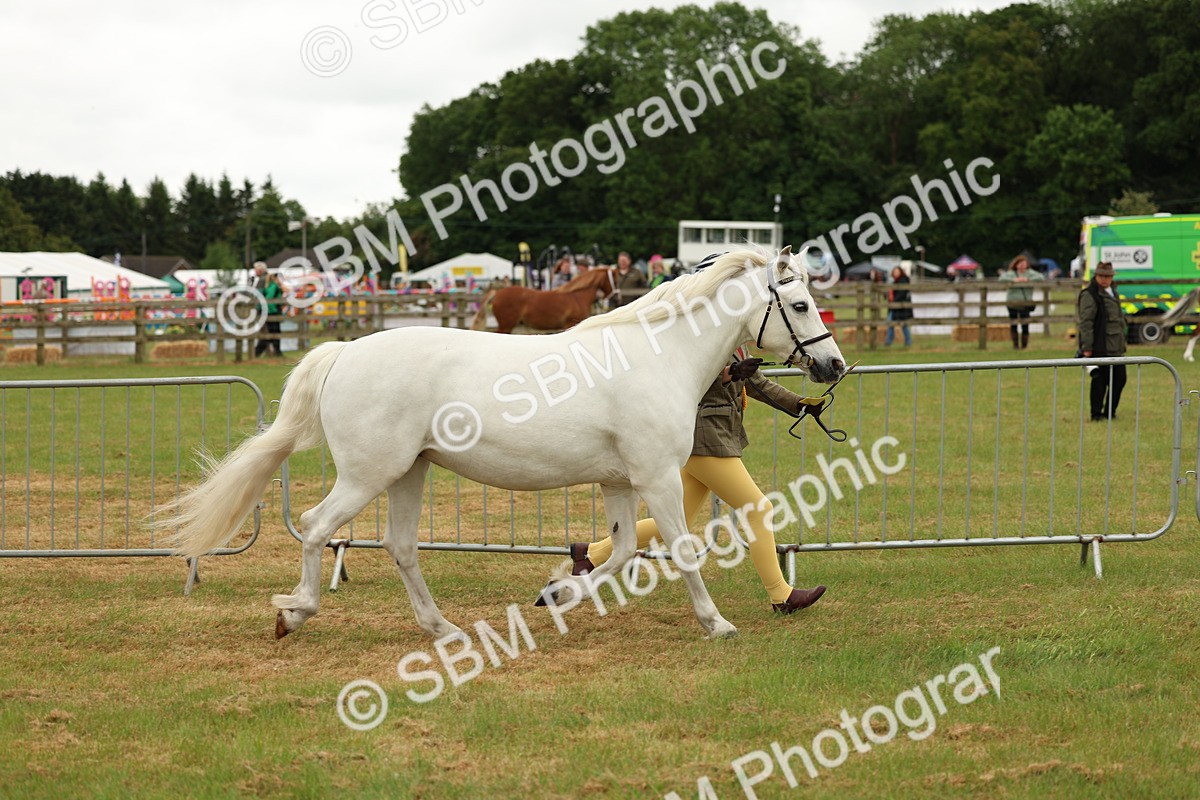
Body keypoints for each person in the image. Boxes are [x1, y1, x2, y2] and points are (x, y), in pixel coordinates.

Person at [564, 354, 826, 615]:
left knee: (678, 522)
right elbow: (692, 375)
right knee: (758, 509)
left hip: (718, 435)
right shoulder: (710, 334)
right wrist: (731, 372)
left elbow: (759, 384)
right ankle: (781, 595)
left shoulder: (737, 342)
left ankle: (589, 554)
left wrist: (801, 405)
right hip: (705, 436)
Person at [1077, 262, 1128, 421]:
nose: (1105, 279)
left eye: (1108, 276)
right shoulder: (1090, 294)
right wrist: (1087, 348)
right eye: (1102, 276)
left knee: (1119, 379)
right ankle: (1096, 414)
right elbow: (1086, 322)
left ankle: (1110, 412)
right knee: (1100, 381)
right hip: (1100, 344)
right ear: (1096, 276)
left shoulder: (1113, 291)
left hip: (1115, 345)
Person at [999, 254, 1045, 349]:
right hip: (1012, 302)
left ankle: (1024, 346)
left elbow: (1041, 277)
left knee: (1025, 324)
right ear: (1016, 264)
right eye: (1020, 263)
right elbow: (1001, 279)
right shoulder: (1011, 273)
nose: (1022, 266)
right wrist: (1014, 280)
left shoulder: (1030, 273)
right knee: (1013, 324)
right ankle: (1015, 345)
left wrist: (1027, 280)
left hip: (1025, 302)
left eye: (1024, 263)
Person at [255, 272, 284, 357]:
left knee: (273, 333)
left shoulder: (270, 286)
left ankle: (277, 352)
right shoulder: (273, 286)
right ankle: (257, 352)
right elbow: (269, 300)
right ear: (275, 278)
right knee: (272, 333)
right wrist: (274, 309)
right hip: (272, 313)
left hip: (270, 312)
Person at [884, 266, 912, 346]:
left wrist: (894, 302)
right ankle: (889, 341)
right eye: (894, 272)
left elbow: (901, 293)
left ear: (900, 272)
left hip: (900, 307)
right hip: (895, 306)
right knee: (893, 323)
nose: (896, 273)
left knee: (902, 324)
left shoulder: (902, 280)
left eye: (897, 272)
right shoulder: (896, 281)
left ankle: (890, 342)